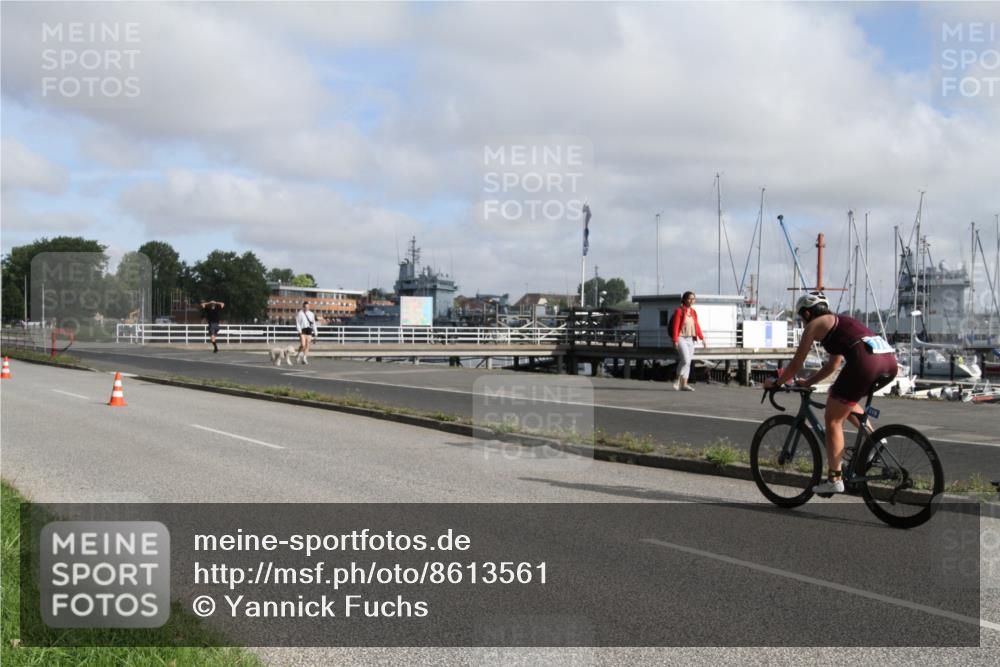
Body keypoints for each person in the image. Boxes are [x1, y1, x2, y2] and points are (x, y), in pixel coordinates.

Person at [764, 291, 898, 494]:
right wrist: (809, 382)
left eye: (802, 317)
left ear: (807, 313)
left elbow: (796, 363)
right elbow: (832, 365)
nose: (803, 321)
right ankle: (875, 439)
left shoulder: (814, 325)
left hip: (866, 362)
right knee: (843, 399)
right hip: (888, 361)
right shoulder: (838, 322)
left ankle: (834, 479)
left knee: (833, 419)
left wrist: (777, 383)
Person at [670, 291, 707, 391]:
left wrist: (702, 338)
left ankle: (684, 384)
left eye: (693, 299)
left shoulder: (693, 312)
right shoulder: (679, 311)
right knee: (685, 360)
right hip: (681, 338)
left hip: (691, 339)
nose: (691, 301)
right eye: (689, 299)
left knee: (688, 362)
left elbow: (696, 326)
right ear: (684, 299)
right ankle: (677, 380)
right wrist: (675, 340)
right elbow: (675, 327)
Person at [295, 300, 317, 364]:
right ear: (303, 307)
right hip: (302, 330)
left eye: (308, 307)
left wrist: (315, 332)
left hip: (309, 330)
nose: (306, 308)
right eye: (305, 307)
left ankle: (304, 358)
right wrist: (299, 331)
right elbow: (297, 323)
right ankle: (298, 354)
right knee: (303, 345)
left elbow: (313, 323)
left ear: (309, 307)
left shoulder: (311, 314)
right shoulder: (300, 313)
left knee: (308, 345)